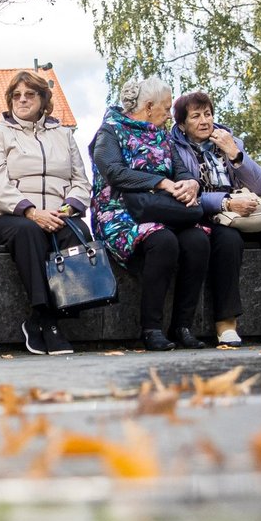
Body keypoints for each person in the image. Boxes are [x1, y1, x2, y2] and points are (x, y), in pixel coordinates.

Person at [89, 76, 210, 351]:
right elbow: (113, 172)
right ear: (148, 105)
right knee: (163, 241)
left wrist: (190, 183)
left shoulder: (161, 136)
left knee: (198, 241)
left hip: (161, 210)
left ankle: (182, 326)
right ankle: (151, 328)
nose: (169, 114)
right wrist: (159, 182)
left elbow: (180, 171)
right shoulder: (110, 131)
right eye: (166, 108)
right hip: (120, 212)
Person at [0, 69, 92, 356]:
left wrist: (66, 210)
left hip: (56, 213)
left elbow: (80, 181)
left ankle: (59, 315)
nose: (22, 100)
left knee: (79, 231)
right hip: (6, 216)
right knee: (28, 231)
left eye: (30, 94)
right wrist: (31, 212)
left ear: (43, 99)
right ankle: (45, 316)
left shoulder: (63, 135)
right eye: (16, 96)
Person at [172, 90, 261, 345]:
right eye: (195, 116)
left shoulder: (230, 140)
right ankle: (226, 321)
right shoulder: (175, 148)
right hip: (208, 213)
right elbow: (188, 194)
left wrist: (235, 154)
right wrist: (226, 202)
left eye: (208, 114)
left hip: (244, 209)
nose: (204, 121)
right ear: (182, 124)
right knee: (228, 240)